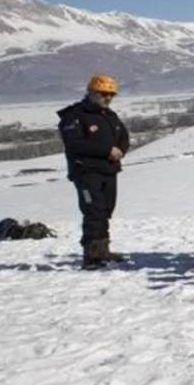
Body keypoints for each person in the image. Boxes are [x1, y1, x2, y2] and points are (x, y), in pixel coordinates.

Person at [57, 74, 131, 270]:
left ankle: (102, 250)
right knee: (93, 211)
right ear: (91, 93)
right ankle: (92, 256)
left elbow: (123, 136)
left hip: (109, 170)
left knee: (105, 210)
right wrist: (107, 151)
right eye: (103, 94)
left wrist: (120, 150)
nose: (107, 98)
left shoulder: (109, 116)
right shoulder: (74, 115)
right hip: (86, 172)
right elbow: (75, 144)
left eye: (111, 95)